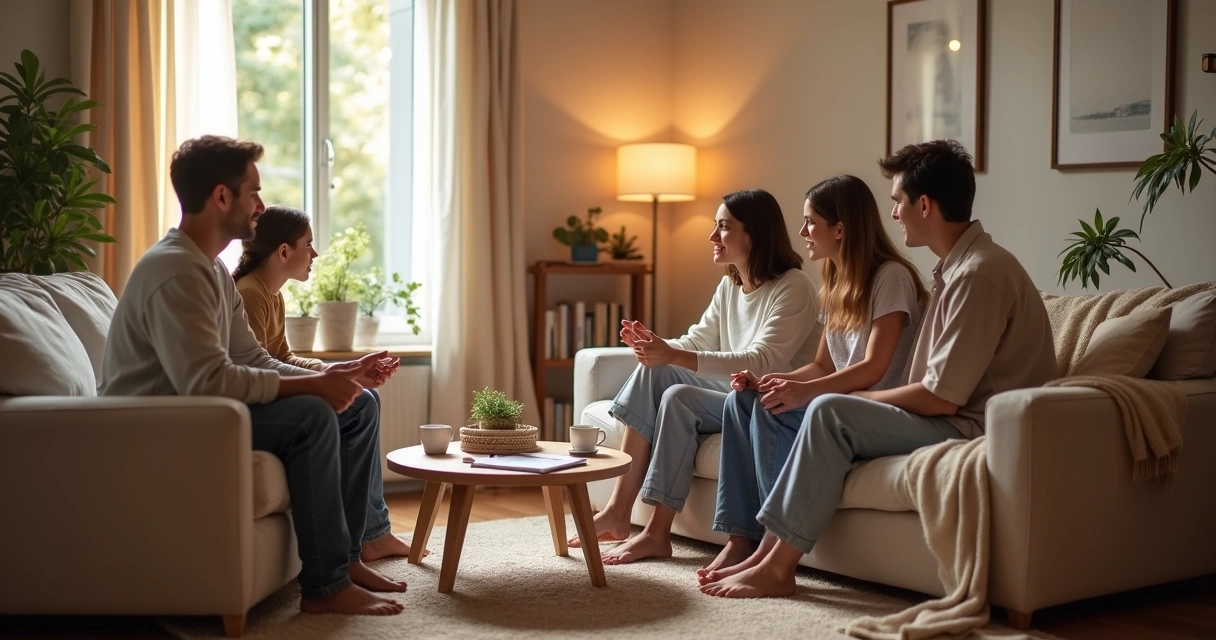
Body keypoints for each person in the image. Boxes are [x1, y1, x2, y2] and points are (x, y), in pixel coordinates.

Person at [699, 139, 1056, 598]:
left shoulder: (976, 275)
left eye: (898, 201)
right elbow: (829, 365)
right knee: (762, 401)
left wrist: (846, 397)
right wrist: (786, 383)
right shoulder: (957, 270)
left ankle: (777, 565)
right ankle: (760, 550)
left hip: (970, 427)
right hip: (946, 414)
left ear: (923, 205)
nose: (893, 213)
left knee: (829, 410)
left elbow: (940, 397)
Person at [101, 135, 406, 616]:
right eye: (254, 193)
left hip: (202, 412)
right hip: (161, 424)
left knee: (356, 407)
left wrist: (338, 373)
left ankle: (347, 560)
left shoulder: (209, 270)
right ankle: (325, 588)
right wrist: (315, 386)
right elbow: (209, 382)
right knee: (311, 416)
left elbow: (255, 359)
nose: (261, 206)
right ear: (222, 197)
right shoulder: (177, 270)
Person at [569, 188, 822, 566]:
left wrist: (672, 355)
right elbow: (696, 342)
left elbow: (763, 360)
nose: (712, 236)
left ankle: (650, 530)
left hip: (762, 401)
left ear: (754, 234)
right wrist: (656, 346)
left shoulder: (794, 287)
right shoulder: (730, 285)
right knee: (657, 373)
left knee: (677, 395)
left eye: (724, 227)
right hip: (732, 392)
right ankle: (624, 514)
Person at [699, 174, 928, 578]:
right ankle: (741, 538)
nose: (802, 232)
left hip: (875, 409)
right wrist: (772, 382)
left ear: (840, 229)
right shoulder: (835, 283)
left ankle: (772, 547)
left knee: (772, 410)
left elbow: (873, 368)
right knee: (744, 400)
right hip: (840, 399)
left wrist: (803, 393)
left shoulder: (891, 276)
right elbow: (823, 366)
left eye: (810, 222)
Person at [231, 205, 422, 563]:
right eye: (308, 244)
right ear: (284, 251)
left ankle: (373, 532)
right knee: (361, 404)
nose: (315, 254)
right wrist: (336, 377)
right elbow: (258, 369)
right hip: (259, 404)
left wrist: (341, 372)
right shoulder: (251, 295)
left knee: (366, 395)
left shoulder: (271, 294)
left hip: (273, 393)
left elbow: (283, 357)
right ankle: (363, 539)